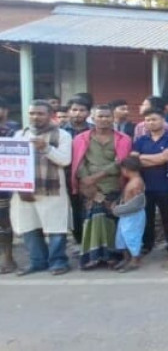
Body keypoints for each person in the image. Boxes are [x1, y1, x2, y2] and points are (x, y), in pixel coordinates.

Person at [11, 100, 73, 276]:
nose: (35, 117)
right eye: (32, 113)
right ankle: (37, 262)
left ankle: (58, 262)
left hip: (52, 189)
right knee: (29, 227)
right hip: (25, 191)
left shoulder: (62, 135)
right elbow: (13, 164)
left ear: (50, 115)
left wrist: (45, 148)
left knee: (56, 227)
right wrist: (21, 189)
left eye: (40, 113)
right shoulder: (20, 135)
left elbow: (65, 160)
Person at [71, 104, 131, 270]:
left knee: (110, 219)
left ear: (113, 118)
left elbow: (121, 163)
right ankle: (93, 256)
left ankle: (111, 256)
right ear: (93, 118)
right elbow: (79, 162)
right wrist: (86, 180)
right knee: (93, 218)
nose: (104, 119)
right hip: (88, 185)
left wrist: (97, 176)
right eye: (100, 116)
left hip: (112, 184)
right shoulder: (81, 139)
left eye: (107, 116)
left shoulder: (123, 139)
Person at [131, 108, 168, 262]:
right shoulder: (140, 140)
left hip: (166, 185)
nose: (151, 122)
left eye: (154, 119)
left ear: (163, 121)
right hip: (145, 186)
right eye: (147, 120)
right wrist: (156, 158)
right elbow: (133, 161)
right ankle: (147, 245)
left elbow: (165, 158)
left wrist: (143, 158)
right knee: (146, 218)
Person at [63, 96, 94, 244]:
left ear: (88, 113)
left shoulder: (94, 130)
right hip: (67, 175)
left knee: (91, 207)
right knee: (74, 208)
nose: (78, 113)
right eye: (74, 110)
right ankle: (79, 240)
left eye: (82, 110)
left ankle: (92, 240)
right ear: (68, 111)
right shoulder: (60, 131)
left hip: (90, 176)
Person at [113, 156, 147, 273]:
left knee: (132, 237)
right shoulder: (132, 181)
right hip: (126, 214)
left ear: (126, 170)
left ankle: (135, 260)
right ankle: (126, 258)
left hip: (133, 214)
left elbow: (137, 202)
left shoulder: (137, 183)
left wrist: (119, 209)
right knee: (122, 236)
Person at [0, 96, 20, 273]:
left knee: (4, 221)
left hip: (5, 184)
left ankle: (8, 258)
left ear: (5, 111)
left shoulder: (14, 131)